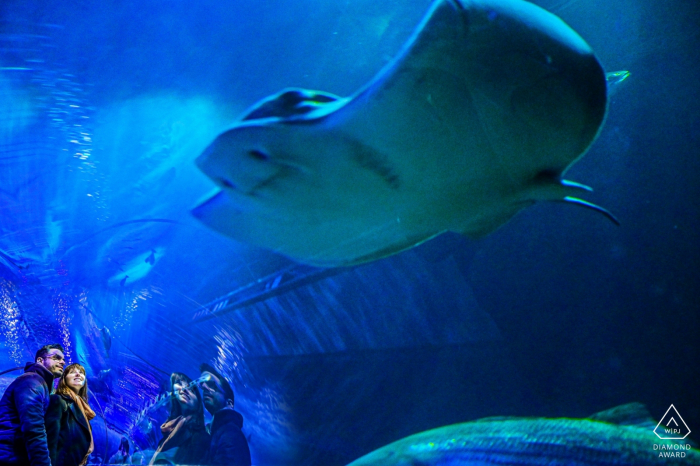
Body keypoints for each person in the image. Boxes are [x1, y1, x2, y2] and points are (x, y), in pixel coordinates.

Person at [0, 343, 65, 466]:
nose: (62, 362)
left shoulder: (40, 383)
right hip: (10, 456)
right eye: (56, 357)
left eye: (63, 359)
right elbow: (33, 428)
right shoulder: (32, 381)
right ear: (40, 360)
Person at [148, 373, 209, 465]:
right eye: (179, 383)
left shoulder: (200, 438)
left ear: (199, 403)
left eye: (191, 389)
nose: (184, 389)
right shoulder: (168, 432)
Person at [45, 363, 96, 466]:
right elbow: (50, 439)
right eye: (72, 372)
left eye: (81, 373)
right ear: (64, 379)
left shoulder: (84, 409)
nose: (78, 374)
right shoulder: (59, 400)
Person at [199, 364, 251, 466]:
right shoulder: (218, 432)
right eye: (203, 385)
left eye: (212, 385)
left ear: (229, 403)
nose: (204, 387)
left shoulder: (230, 432)